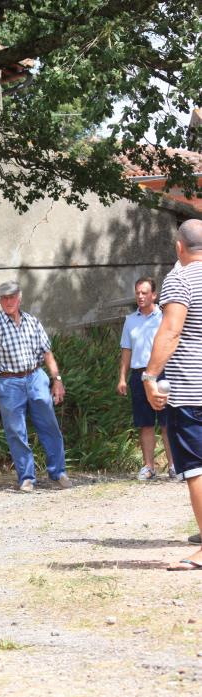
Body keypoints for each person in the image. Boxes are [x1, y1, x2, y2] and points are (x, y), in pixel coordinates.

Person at [143, 219, 202, 568]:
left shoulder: (180, 278)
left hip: (192, 391)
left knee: (196, 469)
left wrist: (149, 376)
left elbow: (170, 330)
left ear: (179, 247)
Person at [0, 280, 70, 492]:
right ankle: (27, 478)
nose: (8, 301)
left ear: (20, 298)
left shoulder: (33, 322)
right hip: (9, 382)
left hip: (36, 376)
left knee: (50, 426)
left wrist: (57, 380)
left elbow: (48, 354)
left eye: (12, 297)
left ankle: (58, 472)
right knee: (16, 431)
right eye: (4, 298)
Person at [117, 277, 175, 480]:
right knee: (145, 423)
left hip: (163, 373)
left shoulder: (165, 317)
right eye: (138, 293)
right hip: (139, 375)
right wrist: (122, 377)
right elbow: (126, 350)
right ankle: (149, 466)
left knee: (168, 422)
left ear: (154, 295)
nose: (140, 296)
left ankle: (174, 466)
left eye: (144, 293)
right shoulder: (130, 320)